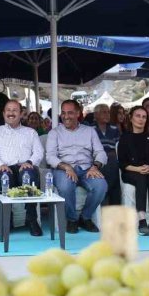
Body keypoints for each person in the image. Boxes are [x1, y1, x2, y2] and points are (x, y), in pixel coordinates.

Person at [46, 99, 108, 233]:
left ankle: (85, 218)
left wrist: (95, 167)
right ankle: (72, 219)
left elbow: (100, 153)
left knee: (101, 186)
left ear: (78, 113)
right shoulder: (55, 133)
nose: (66, 116)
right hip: (63, 169)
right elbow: (50, 157)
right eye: (63, 113)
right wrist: (67, 167)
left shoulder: (90, 131)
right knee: (66, 185)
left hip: (86, 169)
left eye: (70, 113)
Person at [0, 99, 44, 237]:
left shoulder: (31, 132)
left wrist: (29, 162)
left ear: (21, 113)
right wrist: (1, 165)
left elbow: (39, 152)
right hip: (4, 167)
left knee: (28, 175)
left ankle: (32, 220)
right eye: (8, 110)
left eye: (14, 110)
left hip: (25, 166)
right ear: (4, 113)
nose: (11, 113)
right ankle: (6, 221)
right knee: (4, 177)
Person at [118, 105, 149, 236]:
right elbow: (122, 163)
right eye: (138, 116)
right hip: (132, 171)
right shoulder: (125, 137)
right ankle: (142, 220)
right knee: (141, 177)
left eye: (144, 117)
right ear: (131, 118)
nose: (141, 119)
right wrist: (138, 169)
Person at [93, 104, 122, 206]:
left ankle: (105, 194)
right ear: (96, 115)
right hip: (96, 161)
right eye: (103, 112)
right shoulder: (91, 129)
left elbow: (119, 147)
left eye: (108, 112)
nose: (107, 114)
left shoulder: (114, 129)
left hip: (112, 159)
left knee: (113, 161)